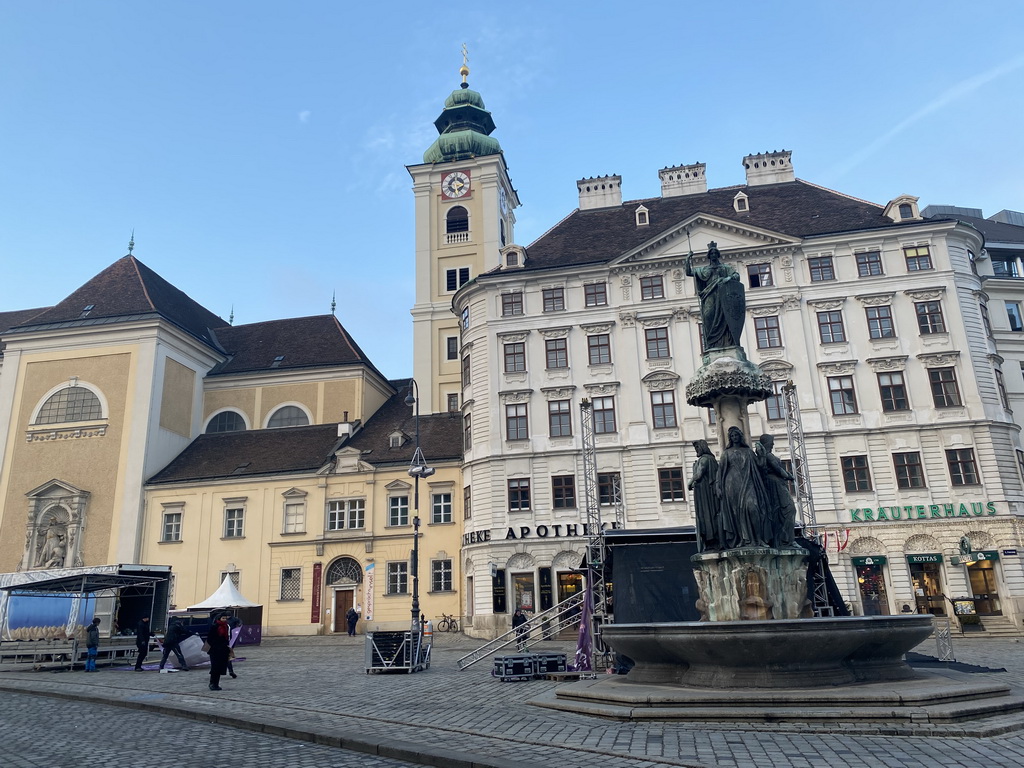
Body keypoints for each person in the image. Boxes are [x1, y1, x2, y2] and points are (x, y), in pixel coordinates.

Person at [716, 427, 773, 548]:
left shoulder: (748, 452)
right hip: (732, 485)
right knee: (736, 513)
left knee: (753, 508)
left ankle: (758, 539)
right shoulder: (726, 453)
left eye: (736, 435)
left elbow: (760, 465)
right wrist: (718, 486)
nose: (734, 438)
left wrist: (762, 455)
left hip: (748, 482)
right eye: (732, 436)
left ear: (740, 436)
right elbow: (720, 471)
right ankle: (743, 539)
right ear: (730, 439)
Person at [685, 241, 745, 350]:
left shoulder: (725, 268)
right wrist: (687, 259)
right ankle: (711, 344)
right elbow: (689, 273)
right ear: (709, 256)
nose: (713, 255)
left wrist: (729, 278)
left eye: (714, 253)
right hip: (709, 295)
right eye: (711, 253)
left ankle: (729, 343)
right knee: (708, 317)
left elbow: (736, 275)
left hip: (723, 296)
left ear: (717, 254)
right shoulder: (703, 270)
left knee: (726, 319)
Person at [755, 433, 797, 547]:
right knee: (789, 509)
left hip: (777, 484)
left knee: (782, 512)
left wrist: (787, 475)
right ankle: (787, 540)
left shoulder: (768, 455)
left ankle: (785, 539)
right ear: (766, 443)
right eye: (771, 442)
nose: (773, 444)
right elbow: (777, 469)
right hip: (775, 485)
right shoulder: (767, 456)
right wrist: (789, 476)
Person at [688, 439, 723, 551]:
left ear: (702, 447)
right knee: (709, 516)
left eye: (697, 448)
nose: (696, 450)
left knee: (706, 516)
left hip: (705, 494)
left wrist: (689, 483)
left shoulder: (705, 459)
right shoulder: (711, 460)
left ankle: (710, 540)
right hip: (707, 493)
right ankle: (712, 540)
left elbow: (699, 474)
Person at [206, 613, 231, 691]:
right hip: (215, 650)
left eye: (225, 618)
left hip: (223, 650)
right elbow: (209, 638)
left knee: (220, 667)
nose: (224, 619)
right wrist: (215, 645)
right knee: (215, 667)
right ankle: (212, 683)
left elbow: (228, 637)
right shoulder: (215, 626)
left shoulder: (226, 627)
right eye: (223, 618)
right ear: (219, 618)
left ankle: (216, 684)